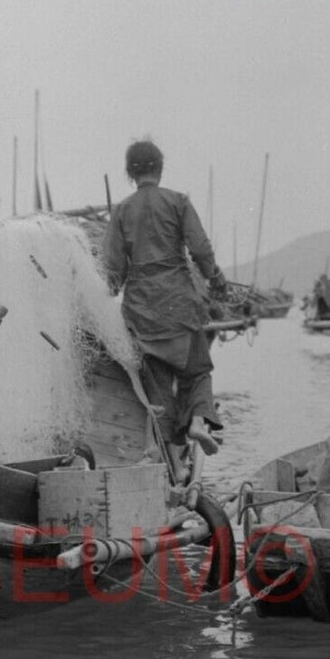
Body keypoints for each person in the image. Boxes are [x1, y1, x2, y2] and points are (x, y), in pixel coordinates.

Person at [102, 139, 227, 456]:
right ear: (160, 168)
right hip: (180, 305)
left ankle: (174, 460)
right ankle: (198, 421)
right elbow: (200, 248)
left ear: (130, 173)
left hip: (141, 311)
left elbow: (113, 270)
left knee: (158, 387)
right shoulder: (178, 202)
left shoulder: (122, 211)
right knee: (197, 371)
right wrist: (215, 277)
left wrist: (106, 295)